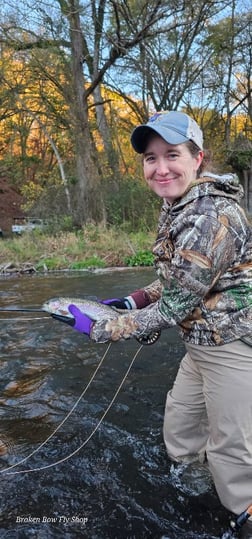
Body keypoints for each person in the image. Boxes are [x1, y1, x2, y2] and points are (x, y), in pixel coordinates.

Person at [68, 111, 252, 538]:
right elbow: (177, 278)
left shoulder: (211, 217)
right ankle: (198, 502)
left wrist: (105, 327)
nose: (161, 167)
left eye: (172, 155)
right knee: (182, 429)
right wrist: (134, 299)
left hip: (233, 344)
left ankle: (241, 516)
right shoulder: (178, 205)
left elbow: (174, 308)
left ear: (197, 158)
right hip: (200, 343)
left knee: (234, 453)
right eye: (151, 158)